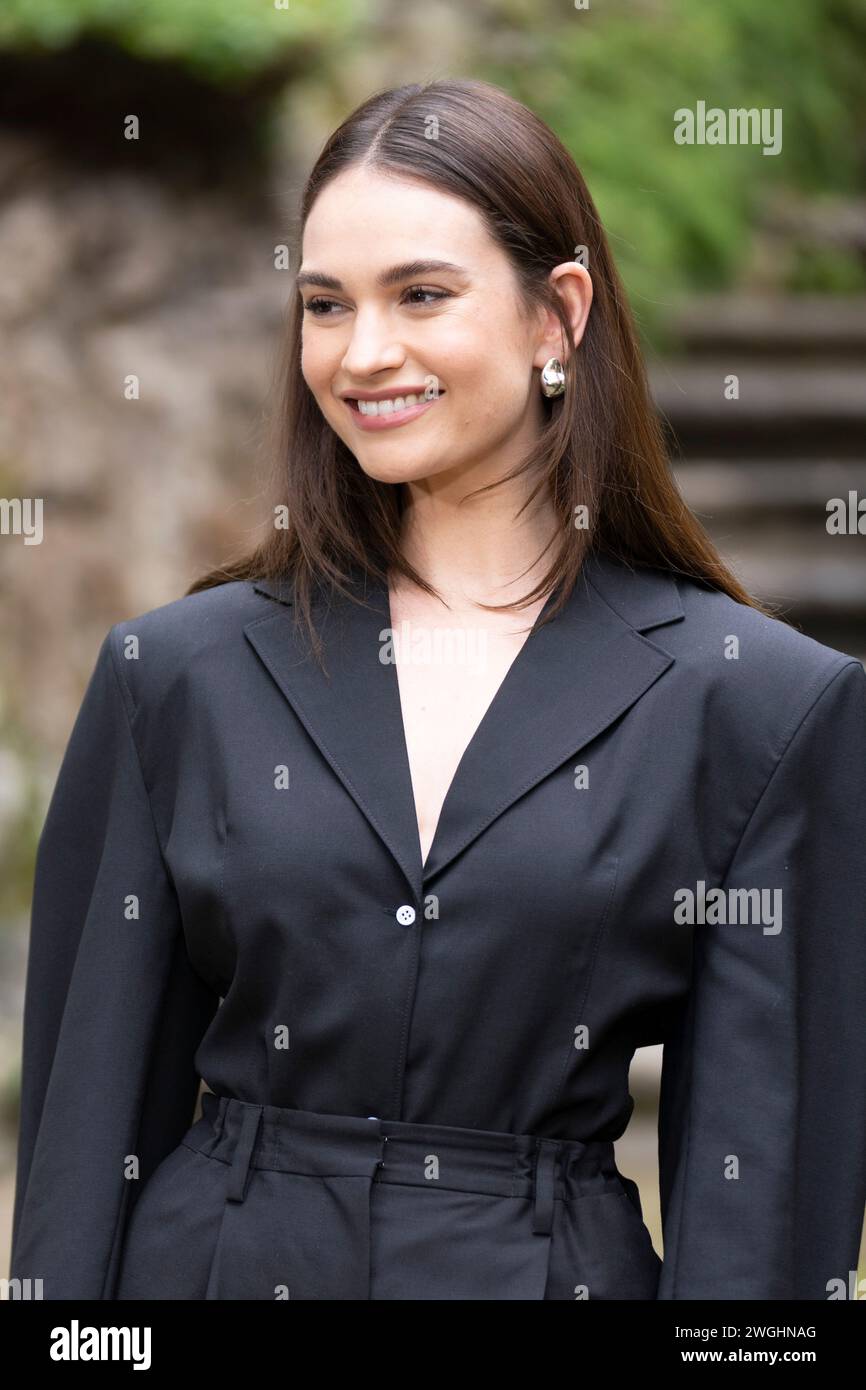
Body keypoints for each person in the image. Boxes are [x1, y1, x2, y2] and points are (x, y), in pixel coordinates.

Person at [9, 78, 866, 1301]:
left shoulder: (759, 705)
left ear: (553, 313)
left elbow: (760, 1201)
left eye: (420, 294)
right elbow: (86, 1145)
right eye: (324, 305)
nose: (362, 353)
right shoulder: (175, 678)